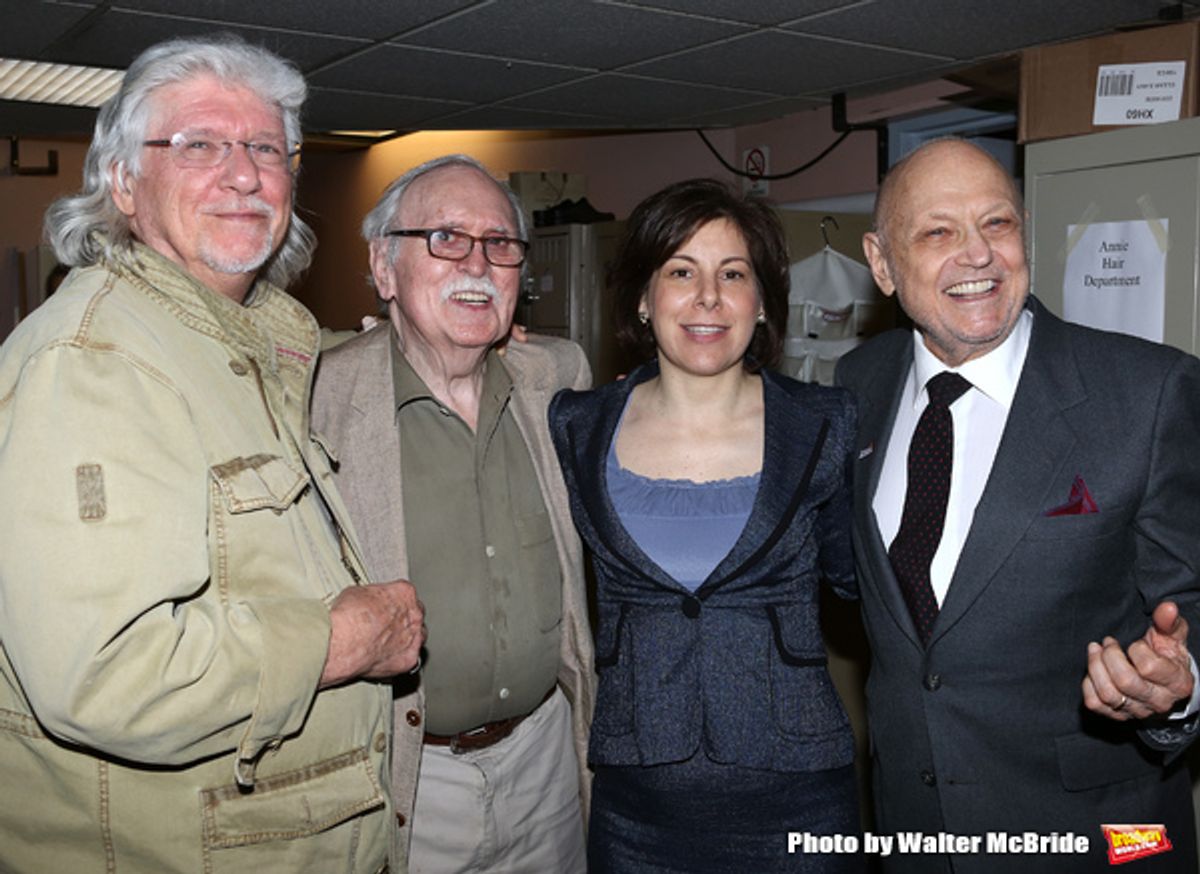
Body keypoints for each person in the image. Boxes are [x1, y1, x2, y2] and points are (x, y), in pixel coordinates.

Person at [0, 36, 425, 874]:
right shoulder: (96, 364)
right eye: (198, 145)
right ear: (122, 182)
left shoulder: (246, 341)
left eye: (266, 147)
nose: (243, 174)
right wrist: (345, 639)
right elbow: (106, 677)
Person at [836, 138, 1200, 873]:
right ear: (880, 263)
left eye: (997, 224)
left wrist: (1181, 688)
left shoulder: (1147, 393)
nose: (979, 255)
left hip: (1092, 841)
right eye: (939, 232)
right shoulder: (857, 383)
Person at [549, 178, 862, 873]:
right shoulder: (575, 425)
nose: (708, 299)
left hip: (798, 797)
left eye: (733, 274)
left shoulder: (823, 423)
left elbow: (863, 584)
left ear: (760, 301)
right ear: (642, 295)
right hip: (638, 808)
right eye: (681, 273)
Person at [310, 154, 594, 873]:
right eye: (445, 238)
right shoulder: (315, 404)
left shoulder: (557, 380)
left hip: (547, 761)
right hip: (408, 778)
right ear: (383, 267)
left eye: (500, 244)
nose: (479, 263)